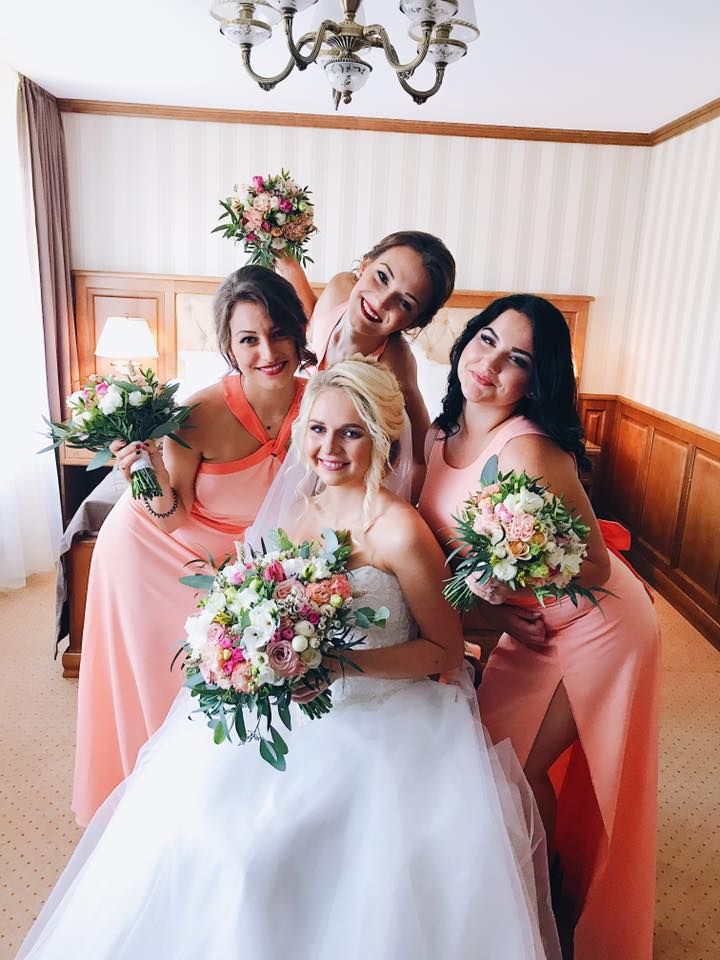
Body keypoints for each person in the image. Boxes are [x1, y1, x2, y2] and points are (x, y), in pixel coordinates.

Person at [20, 358, 559, 960]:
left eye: (351, 433)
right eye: (319, 429)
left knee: (277, 853)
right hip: (285, 704)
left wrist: (337, 667)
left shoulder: (398, 531)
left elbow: (444, 652)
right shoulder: (302, 506)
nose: (330, 448)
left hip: (380, 715)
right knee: (193, 825)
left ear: (382, 438)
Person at [418, 295, 660, 959]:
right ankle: (537, 896)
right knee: (496, 765)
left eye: (517, 358)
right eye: (486, 340)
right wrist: (494, 608)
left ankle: (545, 913)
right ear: (465, 340)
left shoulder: (528, 449)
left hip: (595, 626)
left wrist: (504, 580)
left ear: (536, 378)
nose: (491, 363)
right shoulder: (437, 435)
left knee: (510, 773)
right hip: (530, 625)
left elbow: (593, 562)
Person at [72, 265, 314, 827]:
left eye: (279, 333)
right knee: (169, 681)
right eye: (248, 339)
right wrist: (147, 471)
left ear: (299, 332)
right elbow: (170, 515)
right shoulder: (198, 415)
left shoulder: (320, 403)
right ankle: (157, 808)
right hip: (157, 552)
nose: (267, 352)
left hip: (249, 562)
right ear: (228, 346)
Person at [276, 230, 456, 497]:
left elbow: (421, 456)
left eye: (404, 303)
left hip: (334, 471)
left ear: (414, 322)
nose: (381, 301)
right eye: (382, 277)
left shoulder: (394, 366)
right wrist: (289, 266)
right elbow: (312, 326)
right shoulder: (338, 289)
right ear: (365, 264)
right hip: (288, 441)